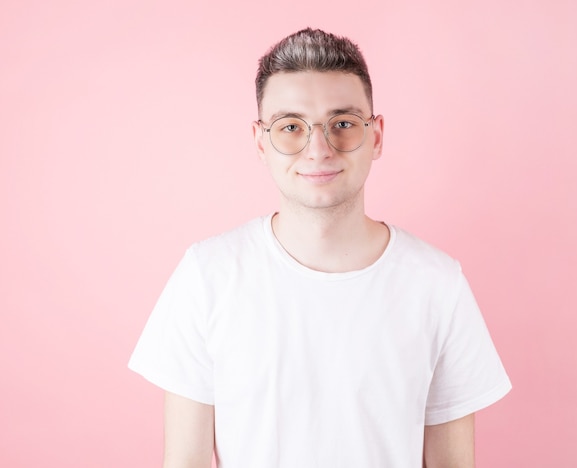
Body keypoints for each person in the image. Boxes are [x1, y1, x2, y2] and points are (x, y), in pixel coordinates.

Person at [129, 27, 511, 468]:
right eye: (291, 127)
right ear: (260, 141)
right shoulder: (207, 275)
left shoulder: (438, 284)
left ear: (377, 136)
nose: (318, 149)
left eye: (343, 124)